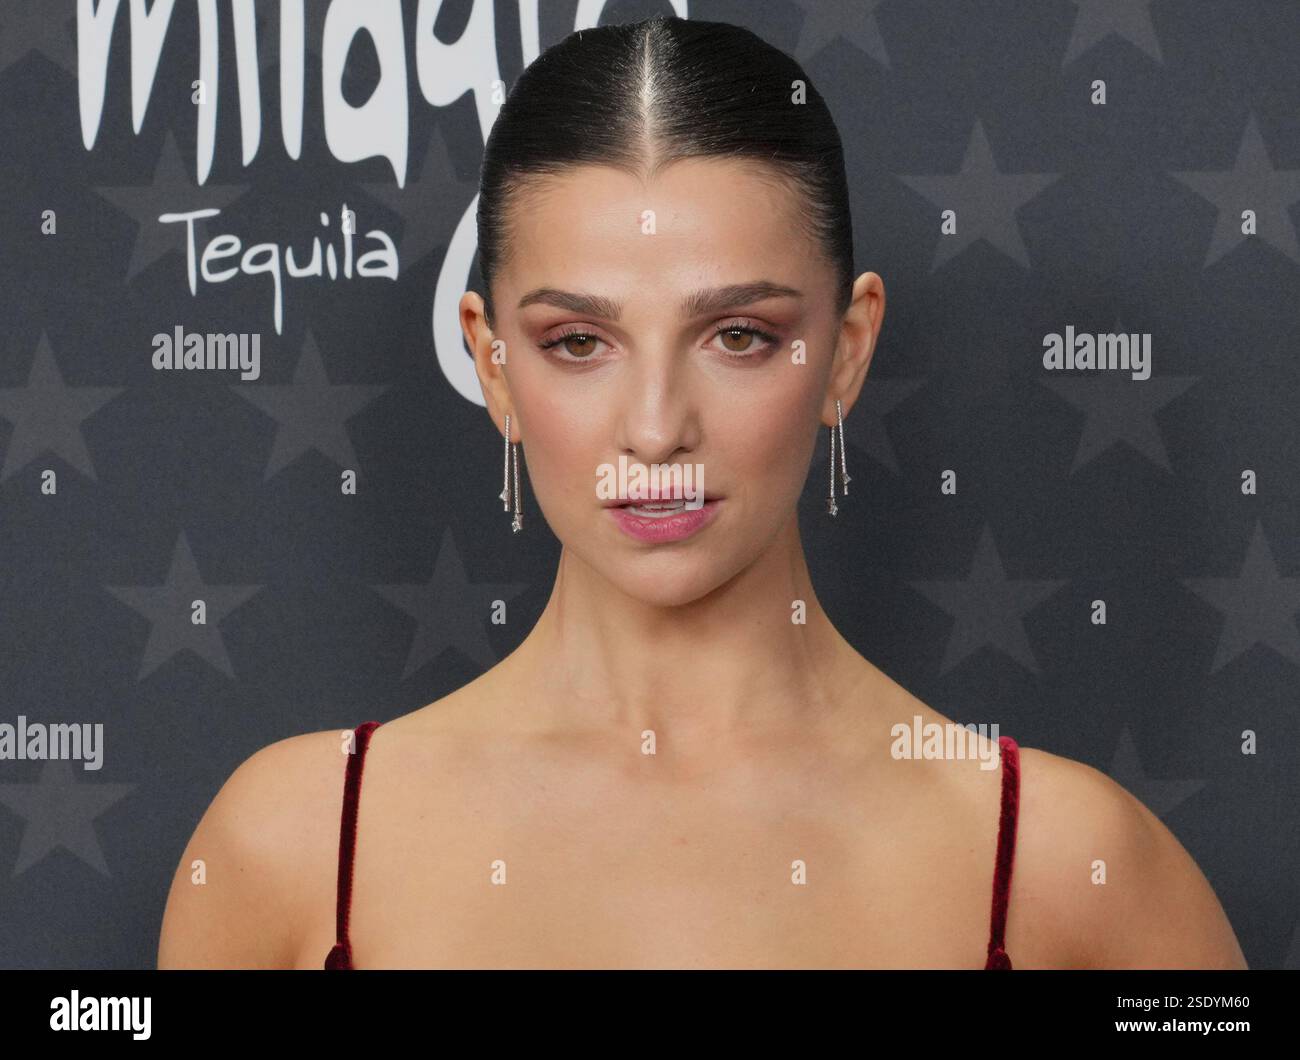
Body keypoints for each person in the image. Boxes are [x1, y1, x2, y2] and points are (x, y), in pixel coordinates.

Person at [158, 15, 1246, 970]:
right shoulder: (295, 846)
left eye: (738, 335)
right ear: (492, 363)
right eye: (577, 341)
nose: (653, 426)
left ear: (847, 350)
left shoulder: (1069, 862)